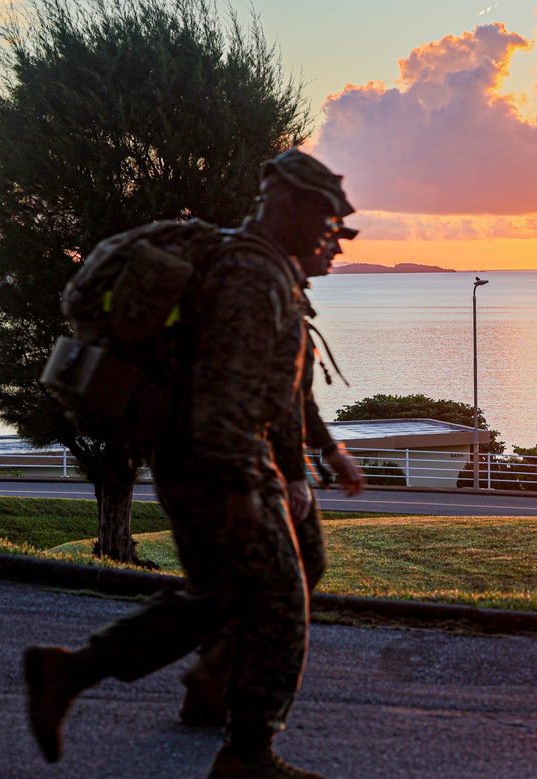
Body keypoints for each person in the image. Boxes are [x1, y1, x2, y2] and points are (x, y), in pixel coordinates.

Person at [24, 149, 360, 779]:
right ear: (288, 203)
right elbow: (225, 396)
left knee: (225, 593)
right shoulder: (249, 277)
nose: (333, 238)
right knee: (279, 600)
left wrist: (315, 456)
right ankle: (248, 753)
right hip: (218, 464)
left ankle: (74, 673)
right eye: (327, 221)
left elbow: (280, 389)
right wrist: (241, 485)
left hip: (217, 458)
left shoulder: (265, 272)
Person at [178, 192, 367, 729]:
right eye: (329, 235)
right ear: (300, 228)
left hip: (250, 463)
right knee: (276, 591)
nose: (335, 249)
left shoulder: (283, 288)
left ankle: (213, 685)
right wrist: (289, 475)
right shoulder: (254, 285)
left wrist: (331, 451)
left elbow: (294, 396)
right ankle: (246, 732)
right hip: (235, 464)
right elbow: (248, 397)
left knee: (285, 577)